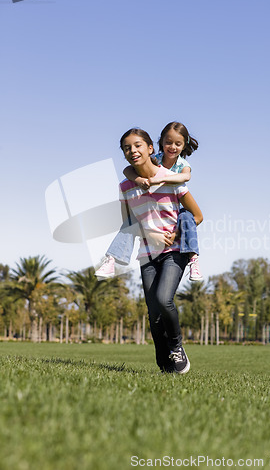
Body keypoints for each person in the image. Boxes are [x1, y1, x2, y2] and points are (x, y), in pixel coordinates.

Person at [118, 127, 203, 373]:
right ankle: (164, 362)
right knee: (153, 312)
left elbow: (197, 215)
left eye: (137, 145)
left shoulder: (170, 178)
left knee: (163, 300)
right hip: (147, 254)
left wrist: (176, 234)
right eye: (127, 148)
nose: (132, 151)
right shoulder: (126, 186)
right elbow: (128, 224)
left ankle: (176, 347)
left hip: (174, 250)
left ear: (150, 148)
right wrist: (149, 234)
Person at [95, 122, 202, 281]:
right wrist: (138, 180)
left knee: (187, 217)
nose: (172, 147)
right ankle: (111, 258)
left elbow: (186, 177)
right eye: (168, 142)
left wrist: (162, 180)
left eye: (177, 144)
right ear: (160, 144)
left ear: (183, 145)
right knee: (130, 222)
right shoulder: (155, 159)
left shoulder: (182, 164)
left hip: (176, 211)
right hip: (154, 223)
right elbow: (127, 169)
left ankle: (193, 258)